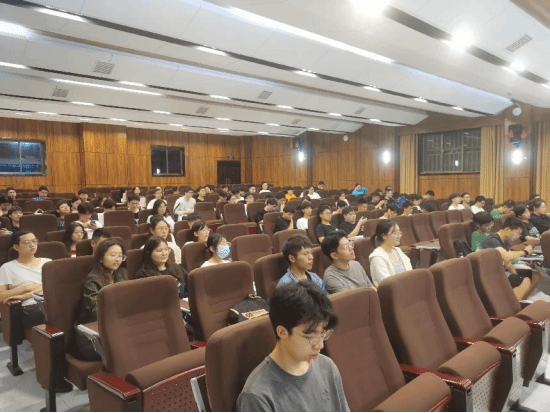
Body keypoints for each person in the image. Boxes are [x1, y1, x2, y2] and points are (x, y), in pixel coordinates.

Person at [237, 281, 348, 413]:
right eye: (311, 336)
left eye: (323, 334)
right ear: (282, 332)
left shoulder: (327, 367)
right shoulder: (257, 396)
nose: (320, 345)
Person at [76, 239, 128, 361]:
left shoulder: (121, 273)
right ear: (100, 257)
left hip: (117, 324)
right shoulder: (93, 280)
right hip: (91, 333)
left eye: (120, 256)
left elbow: (128, 297)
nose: (117, 259)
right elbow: (96, 312)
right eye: (113, 255)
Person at [478, 217, 549, 302]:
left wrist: (515, 273)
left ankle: (522, 299)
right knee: (524, 281)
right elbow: (507, 256)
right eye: (517, 233)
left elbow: (507, 262)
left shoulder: (505, 240)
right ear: (507, 229)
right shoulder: (492, 240)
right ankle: (514, 304)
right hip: (486, 274)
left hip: (499, 270)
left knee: (535, 275)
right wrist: (525, 252)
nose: (517, 236)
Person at [0, 230, 50, 331]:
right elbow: (1, 296)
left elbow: (53, 286)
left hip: (51, 300)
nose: (32, 245)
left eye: (34, 241)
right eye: (27, 242)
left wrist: (27, 294)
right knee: (41, 314)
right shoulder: (7, 268)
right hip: (31, 307)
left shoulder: (48, 262)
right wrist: (25, 288)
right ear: (16, 247)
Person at [369, 220, 412, 288]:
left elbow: (411, 274)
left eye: (399, 233)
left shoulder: (398, 251)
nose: (399, 236)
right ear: (384, 236)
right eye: (395, 233)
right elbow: (387, 284)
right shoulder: (377, 258)